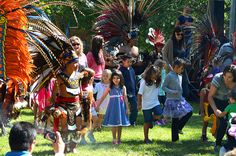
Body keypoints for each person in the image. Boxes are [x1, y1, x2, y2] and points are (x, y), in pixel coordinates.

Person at [162, 58, 193, 142]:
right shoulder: (169, 75)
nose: (182, 70)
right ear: (175, 67)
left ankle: (178, 128)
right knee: (175, 120)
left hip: (179, 99)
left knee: (189, 112)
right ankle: (175, 139)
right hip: (172, 100)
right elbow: (163, 87)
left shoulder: (178, 75)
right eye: (181, 68)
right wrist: (172, 92)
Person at [96, 69, 130, 144]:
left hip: (121, 107)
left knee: (120, 124)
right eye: (114, 78)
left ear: (120, 78)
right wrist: (97, 105)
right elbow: (102, 97)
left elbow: (125, 98)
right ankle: (114, 139)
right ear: (111, 79)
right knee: (114, 124)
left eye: (118, 78)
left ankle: (119, 139)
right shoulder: (109, 87)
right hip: (113, 107)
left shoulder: (123, 87)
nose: (116, 80)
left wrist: (127, 108)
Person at [208, 65, 236, 152]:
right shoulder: (217, 78)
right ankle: (218, 143)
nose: (226, 79)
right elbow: (210, 97)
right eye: (225, 76)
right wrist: (215, 110)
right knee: (223, 121)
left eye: (229, 77)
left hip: (231, 105)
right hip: (216, 102)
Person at [137, 65, 162, 144]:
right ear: (149, 74)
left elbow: (157, 92)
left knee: (160, 115)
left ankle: (151, 121)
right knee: (147, 123)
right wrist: (139, 104)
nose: (154, 78)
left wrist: (159, 100)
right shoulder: (143, 82)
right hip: (146, 105)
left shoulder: (157, 81)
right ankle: (146, 138)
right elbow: (139, 94)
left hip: (155, 103)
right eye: (153, 76)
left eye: (156, 77)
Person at [119, 54, 138, 126]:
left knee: (134, 108)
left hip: (132, 92)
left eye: (130, 62)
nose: (130, 63)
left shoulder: (132, 69)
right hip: (124, 92)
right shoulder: (120, 70)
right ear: (123, 61)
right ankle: (124, 121)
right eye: (128, 62)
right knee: (124, 108)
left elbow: (134, 80)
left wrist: (135, 90)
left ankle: (132, 121)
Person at [217, 89, 236, 156]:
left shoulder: (229, 106)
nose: (229, 99)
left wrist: (218, 112)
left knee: (230, 142)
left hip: (231, 129)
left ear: (233, 99)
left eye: (230, 98)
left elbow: (221, 115)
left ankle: (226, 151)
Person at [199, 74, 216, 141]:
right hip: (205, 108)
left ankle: (216, 135)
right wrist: (202, 111)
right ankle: (203, 135)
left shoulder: (215, 91)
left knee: (216, 121)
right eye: (210, 83)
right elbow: (201, 102)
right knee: (205, 122)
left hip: (212, 107)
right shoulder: (204, 91)